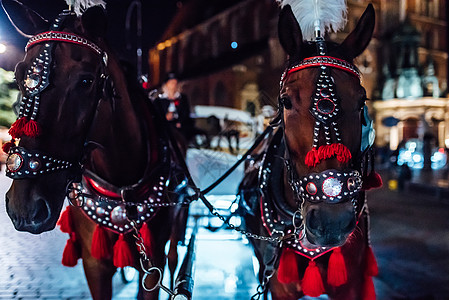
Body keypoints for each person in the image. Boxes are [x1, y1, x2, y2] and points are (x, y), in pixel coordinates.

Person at [153, 73, 195, 142]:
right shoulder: (159, 100)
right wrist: (165, 118)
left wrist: (180, 122)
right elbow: (156, 114)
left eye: (175, 83)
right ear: (166, 84)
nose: (174, 85)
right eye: (172, 83)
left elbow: (186, 112)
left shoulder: (182, 98)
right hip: (164, 127)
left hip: (179, 127)